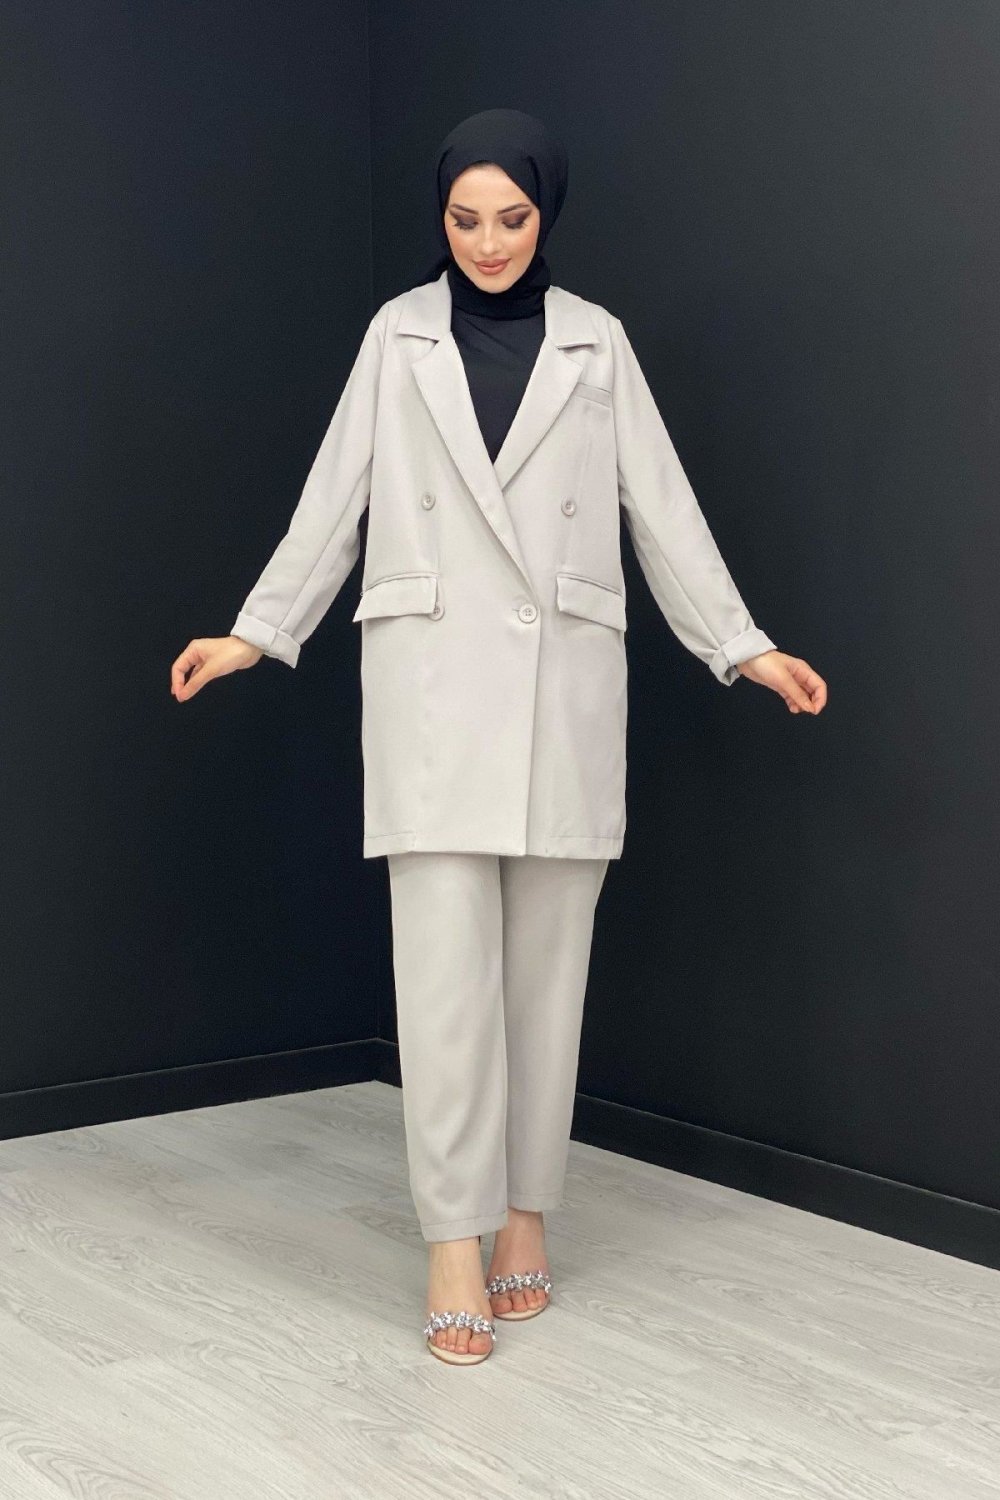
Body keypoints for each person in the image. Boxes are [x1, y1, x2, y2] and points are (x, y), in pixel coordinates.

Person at [171, 108, 827, 1368]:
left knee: (546, 981)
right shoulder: (396, 335)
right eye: (463, 219)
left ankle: (525, 1212)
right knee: (442, 986)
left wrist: (741, 645)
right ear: (441, 218)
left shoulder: (597, 342)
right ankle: (449, 1239)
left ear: (545, 213)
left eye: (510, 218)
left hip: (560, 688)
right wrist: (257, 630)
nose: (485, 242)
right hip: (431, 685)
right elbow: (337, 492)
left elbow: (661, 506)